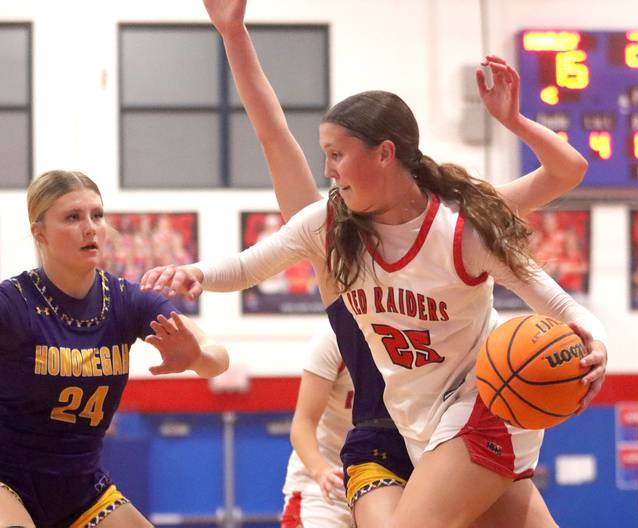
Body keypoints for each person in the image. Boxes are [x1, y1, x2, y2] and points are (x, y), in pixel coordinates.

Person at [143, 2, 609, 527]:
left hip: (475, 403)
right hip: (391, 426)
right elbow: (250, 259)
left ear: (385, 153)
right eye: (326, 157)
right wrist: (197, 274)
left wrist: (595, 340)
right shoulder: (325, 226)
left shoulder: (459, 224)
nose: (328, 170)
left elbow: (561, 278)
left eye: (338, 156)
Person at [0, 170, 230, 528]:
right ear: (39, 232)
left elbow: (218, 357)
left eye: (97, 215)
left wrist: (197, 358)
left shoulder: (126, 300)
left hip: (81, 488)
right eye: (73, 218)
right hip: (7, 481)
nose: (90, 227)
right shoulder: (13, 303)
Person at [281, 327, 353, 528]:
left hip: (385, 479)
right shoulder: (334, 337)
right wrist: (320, 470)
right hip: (327, 478)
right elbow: (303, 424)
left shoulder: (410, 333)